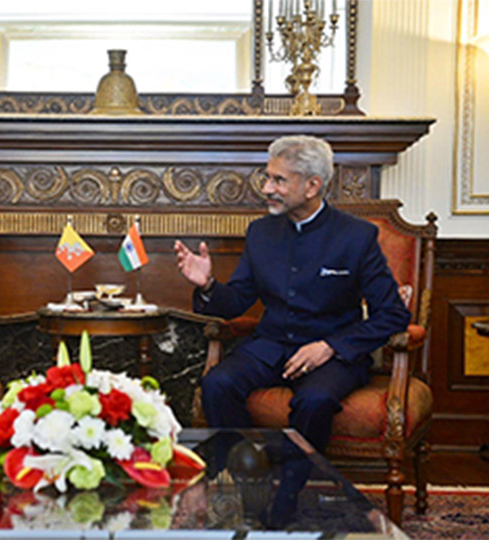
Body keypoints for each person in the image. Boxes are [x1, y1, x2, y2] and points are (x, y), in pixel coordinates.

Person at [174, 134, 411, 455]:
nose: (267, 188)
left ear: (312, 186)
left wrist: (330, 347)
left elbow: (393, 315)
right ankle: (249, 475)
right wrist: (207, 285)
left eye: (279, 180)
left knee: (315, 401)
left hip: (333, 355)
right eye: (267, 178)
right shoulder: (260, 232)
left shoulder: (356, 236)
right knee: (217, 385)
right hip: (270, 347)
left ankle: (290, 489)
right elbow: (236, 302)